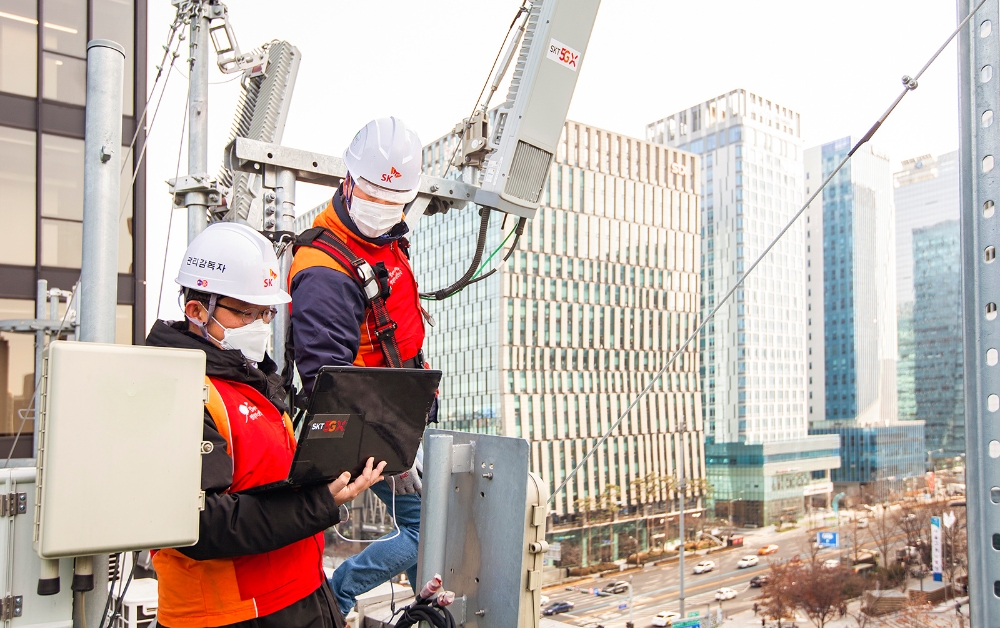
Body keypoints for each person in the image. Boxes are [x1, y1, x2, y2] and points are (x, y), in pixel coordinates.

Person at [148, 222, 386, 628]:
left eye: (266, 312)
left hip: (303, 593)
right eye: (247, 312)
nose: (260, 323)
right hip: (228, 615)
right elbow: (199, 524)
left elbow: (270, 479)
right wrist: (319, 503)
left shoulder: (252, 381)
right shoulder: (174, 389)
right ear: (196, 311)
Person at [289, 116, 430, 617]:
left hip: (401, 418)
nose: (383, 209)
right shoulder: (324, 269)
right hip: (382, 426)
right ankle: (337, 595)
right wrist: (396, 448)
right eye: (373, 194)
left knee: (429, 534)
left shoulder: (380, 237)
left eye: (395, 201)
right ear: (347, 181)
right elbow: (333, 383)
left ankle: (426, 607)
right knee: (427, 530)